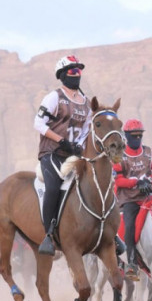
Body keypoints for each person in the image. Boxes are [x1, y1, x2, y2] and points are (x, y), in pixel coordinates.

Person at [34, 55, 90, 256]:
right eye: (73, 71)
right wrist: (60, 140)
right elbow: (38, 124)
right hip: (52, 153)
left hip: (73, 154)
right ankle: (48, 235)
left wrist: (79, 146)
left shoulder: (86, 102)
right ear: (63, 75)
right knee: (53, 186)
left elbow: (85, 130)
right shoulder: (54, 97)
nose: (77, 75)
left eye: (79, 71)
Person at [113, 118, 152, 280]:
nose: (137, 139)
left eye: (139, 136)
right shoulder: (119, 155)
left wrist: (150, 181)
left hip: (148, 198)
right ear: (127, 136)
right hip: (129, 200)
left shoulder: (148, 152)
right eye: (134, 136)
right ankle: (131, 261)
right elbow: (118, 180)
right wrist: (137, 182)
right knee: (130, 225)